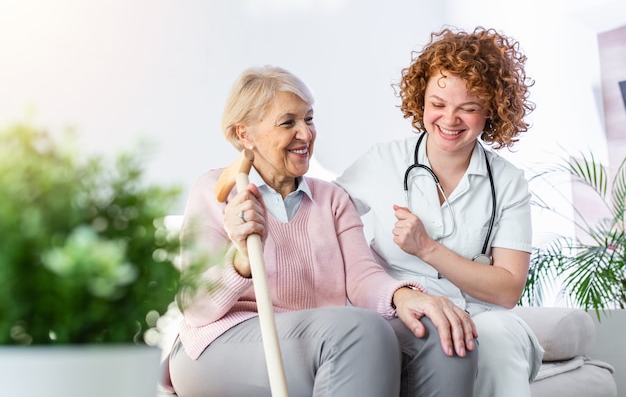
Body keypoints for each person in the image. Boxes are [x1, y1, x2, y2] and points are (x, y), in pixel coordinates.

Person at [165, 65, 478, 397]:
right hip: (219, 344)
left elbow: (363, 278)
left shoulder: (331, 199)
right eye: (288, 122)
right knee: (360, 330)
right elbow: (195, 308)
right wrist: (241, 258)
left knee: (446, 334)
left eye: (309, 119)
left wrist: (406, 295)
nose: (306, 134)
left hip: (318, 337)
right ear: (246, 135)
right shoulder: (216, 192)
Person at [335, 26, 545, 397]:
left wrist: (427, 248)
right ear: (421, 100)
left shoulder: (508, 182)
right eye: (438, 104)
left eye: (469, 108)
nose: (450, 120)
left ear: (491, 110)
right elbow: (324, 218)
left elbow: (508, 289)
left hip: (485, 317)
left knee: (494, 339)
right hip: (402, 312)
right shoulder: (382, 162)